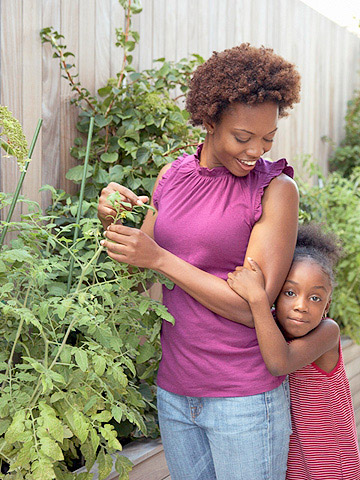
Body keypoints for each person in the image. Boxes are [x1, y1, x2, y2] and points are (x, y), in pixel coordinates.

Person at [98, 43, 301, 480]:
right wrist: (116, 220)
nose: (255, 151)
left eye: (267, 139)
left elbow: (253, 307)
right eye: (243, 137)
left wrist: (160, 259)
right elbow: (136, 269)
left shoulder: (275, 190)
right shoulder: (172, 176)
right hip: (175, 391)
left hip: (243, 398)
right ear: (209, 121)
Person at [227, 222, 360, 479]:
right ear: (276, 293)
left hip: (331, 458)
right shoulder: (273, 325)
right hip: (292, 456)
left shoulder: (327, 333)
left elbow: (280, 363)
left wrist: (256, 298)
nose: (301, 306)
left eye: (315, 298)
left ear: (327, 305)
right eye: (290, 292)